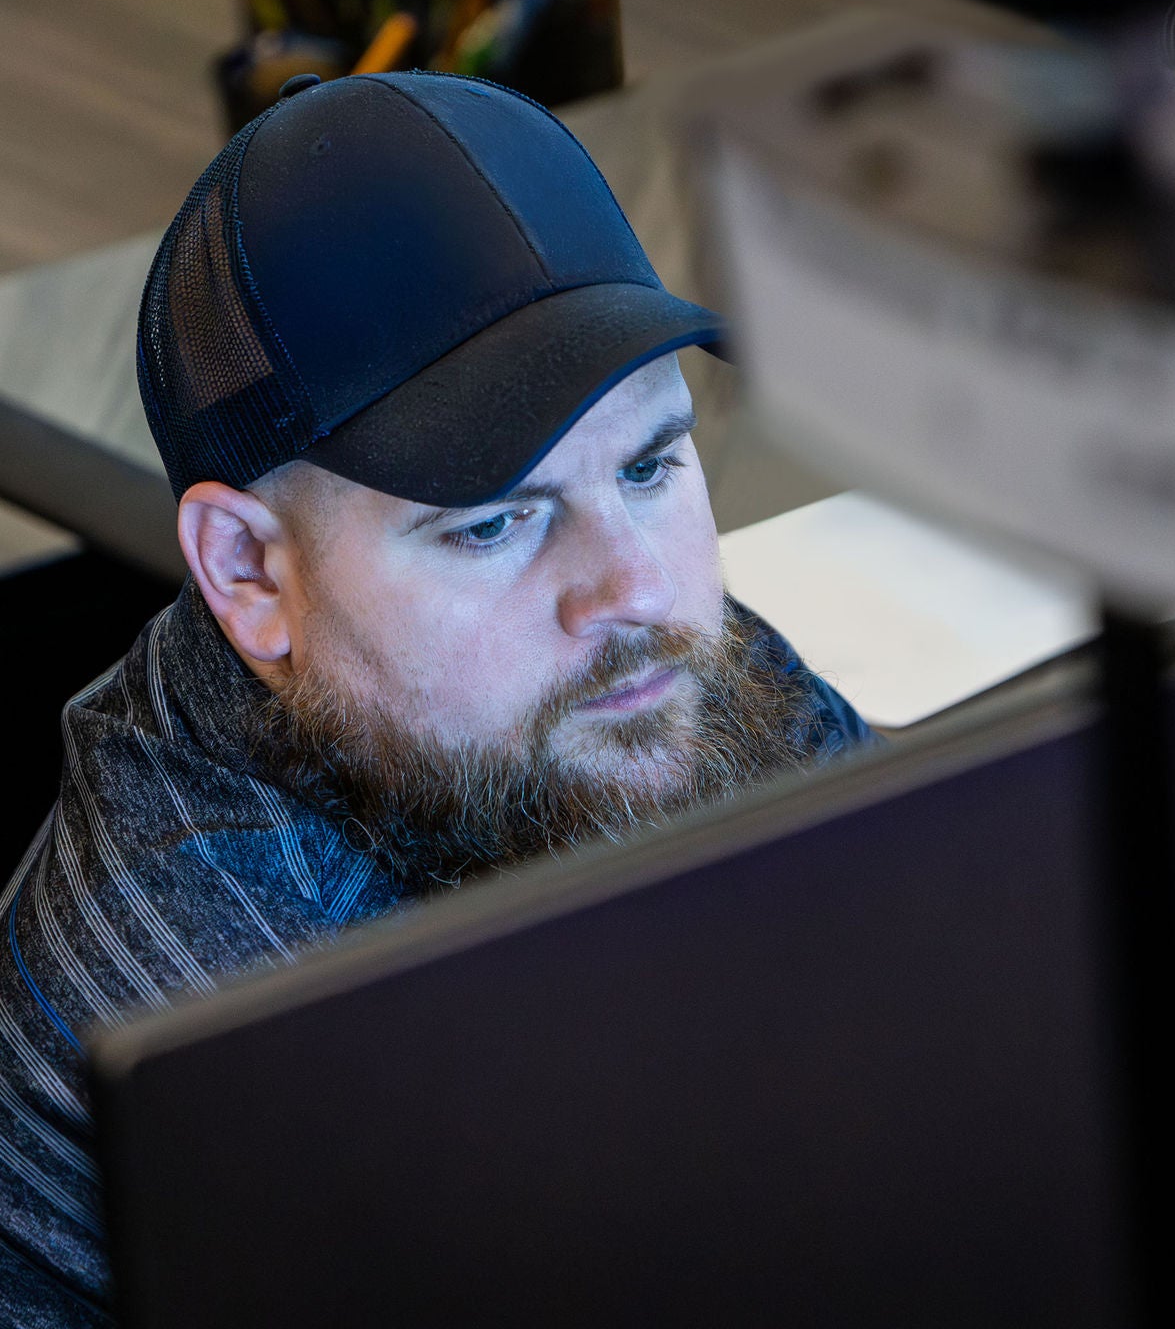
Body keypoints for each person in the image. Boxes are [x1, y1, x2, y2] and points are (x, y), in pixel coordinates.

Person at [0, 70, 874, 1326]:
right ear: (251, 572)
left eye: (649, 462)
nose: (628, 582)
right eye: (494, 523)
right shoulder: (219, 997)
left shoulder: (610, 651)